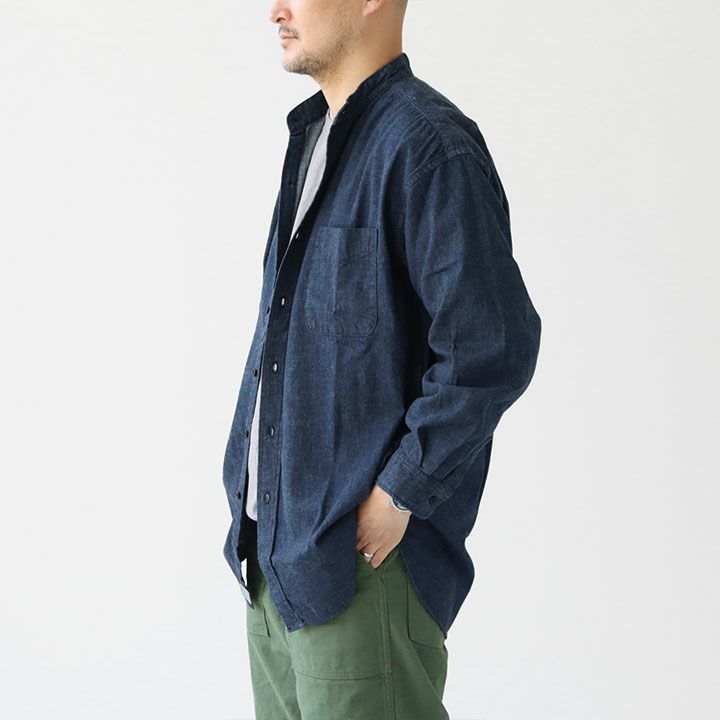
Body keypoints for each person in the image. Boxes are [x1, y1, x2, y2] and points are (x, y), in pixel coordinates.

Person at [221, 1, 542, 717]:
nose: (275, 10)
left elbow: (492, 347)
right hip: (277, 565)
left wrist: (401, 491)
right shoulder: (315, 140)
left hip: (362, 571)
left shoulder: (428, 145)